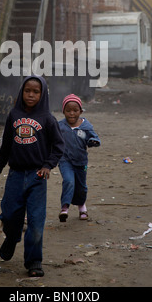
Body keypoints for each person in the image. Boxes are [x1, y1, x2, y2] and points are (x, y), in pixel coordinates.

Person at [0, 75, 64, 277]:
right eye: (27, 91)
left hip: (37, 177)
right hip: (15, 174)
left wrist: (48, 165)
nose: (31, 95)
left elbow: (58, 147)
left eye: (36, 91)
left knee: (35, 221)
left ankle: (33, 261)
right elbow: (6, 144)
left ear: (43, 95)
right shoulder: (14, 115)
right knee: (9, 214)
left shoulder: (48, 119)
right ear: (21, 92)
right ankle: (12, 237)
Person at [58, 94, 100, 222]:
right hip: (65, 160)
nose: (71, 114)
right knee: (69, 181)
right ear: (63, 111)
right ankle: (64, 207)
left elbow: (94, 137)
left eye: (75, 111)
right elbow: (53, 140)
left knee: (81, 187)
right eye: (68, 110)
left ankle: (82, 206)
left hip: (81, 161)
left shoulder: (86, 126)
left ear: (80, 111)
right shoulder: (60, 126)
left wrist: (93, 141)